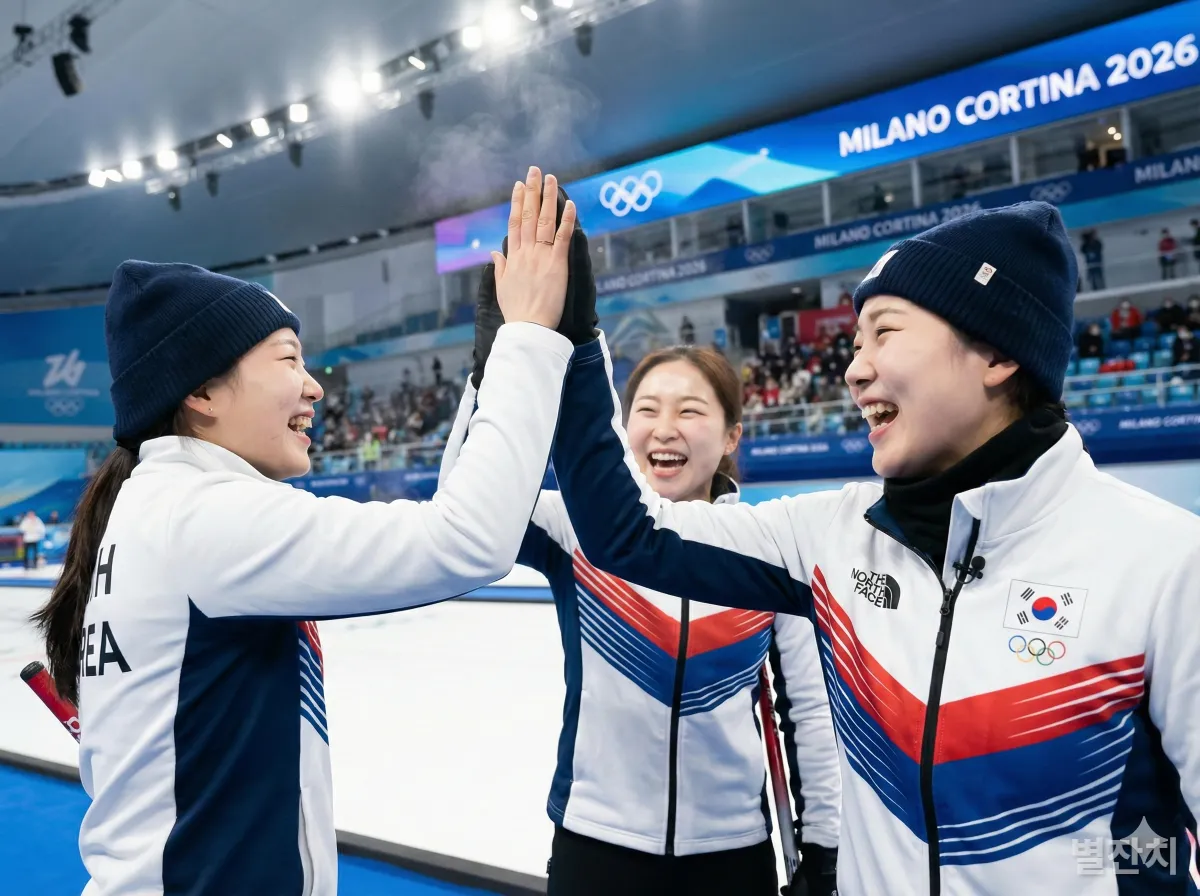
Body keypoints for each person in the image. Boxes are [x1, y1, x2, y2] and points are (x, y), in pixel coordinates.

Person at [548, 201, 1200, 895]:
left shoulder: (1164, 563)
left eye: (884, 334)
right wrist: (575, 342)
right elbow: (630, 535)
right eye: (856, 344)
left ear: (999, 354)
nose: (855, 371)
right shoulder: (829, 536)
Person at [32, 167, 580, 896]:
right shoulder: (205, 517)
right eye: (289, 359)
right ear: (198, 393)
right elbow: (465, 542)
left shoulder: (164, 505)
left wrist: (489, 370)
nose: (316, 387)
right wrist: (532, 339)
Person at [449, 244, 839, 896]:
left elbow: (808, 713)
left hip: (732, 852)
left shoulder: (770, 547)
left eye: (690, 411)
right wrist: (494, 367)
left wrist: (824, 849)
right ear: (622, 429)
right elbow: (465, 498)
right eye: (647, 410)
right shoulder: (574, 528)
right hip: (596, 845)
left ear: (732, 436)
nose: (665, 428)